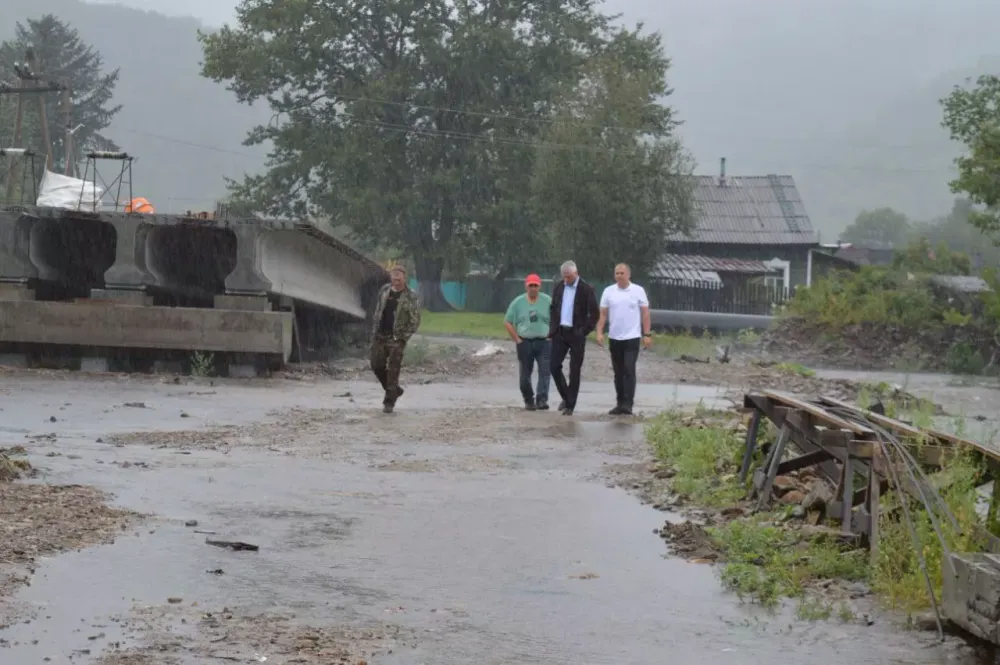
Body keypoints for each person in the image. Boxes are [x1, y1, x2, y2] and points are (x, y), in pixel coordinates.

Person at [595, 263, 652, 416]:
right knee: (618, 372)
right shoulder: (608, 292)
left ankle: (628, 404)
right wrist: (599, 332)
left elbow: (645, 314)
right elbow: (603, 314)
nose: (619, 276)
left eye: (622, 273)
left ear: (628, 275)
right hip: (614, 337)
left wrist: (647, 334)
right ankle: (619, 402)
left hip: (632, 337)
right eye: (617, 273)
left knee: (629, 369)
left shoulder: (638, 291)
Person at [548, 260, 600, 416]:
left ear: (576, 273)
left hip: (576, 333)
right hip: (560, 332)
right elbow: (553, 308)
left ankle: (571, 405)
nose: (566, 280)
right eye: (564, 277)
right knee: (554, 366)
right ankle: (566, 396)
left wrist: (584, 331)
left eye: (569, 277)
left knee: (574, 370)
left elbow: (595, 313)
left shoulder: (586, 289)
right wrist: (553, 328)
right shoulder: (558, 286)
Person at [370, 266, 421, 413]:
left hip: (396, 338)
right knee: (376, 364)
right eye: (394, 278)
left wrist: (403, 337)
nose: (396, 282)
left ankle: (389, 402)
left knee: (393, 369)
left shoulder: (411, 296)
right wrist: (374, 330)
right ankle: (394, 390)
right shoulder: (385, 290)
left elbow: (415, 319)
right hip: (380, 335)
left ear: (405, 278)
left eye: (399, 279)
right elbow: (378, 310)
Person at [503, 274, 552, 411]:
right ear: (526, 286)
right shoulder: (518, 302)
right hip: (524, 341)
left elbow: (556, 318)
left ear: (539, 286)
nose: (533, 288)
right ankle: (529, 399)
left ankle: (542, 399)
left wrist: (551, 335)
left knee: (545, 371)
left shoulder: (547, 300)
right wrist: (517, 340)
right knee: (525, 373)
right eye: (531, 285)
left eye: (535, 285)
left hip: (543, 342)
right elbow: (507, 321)